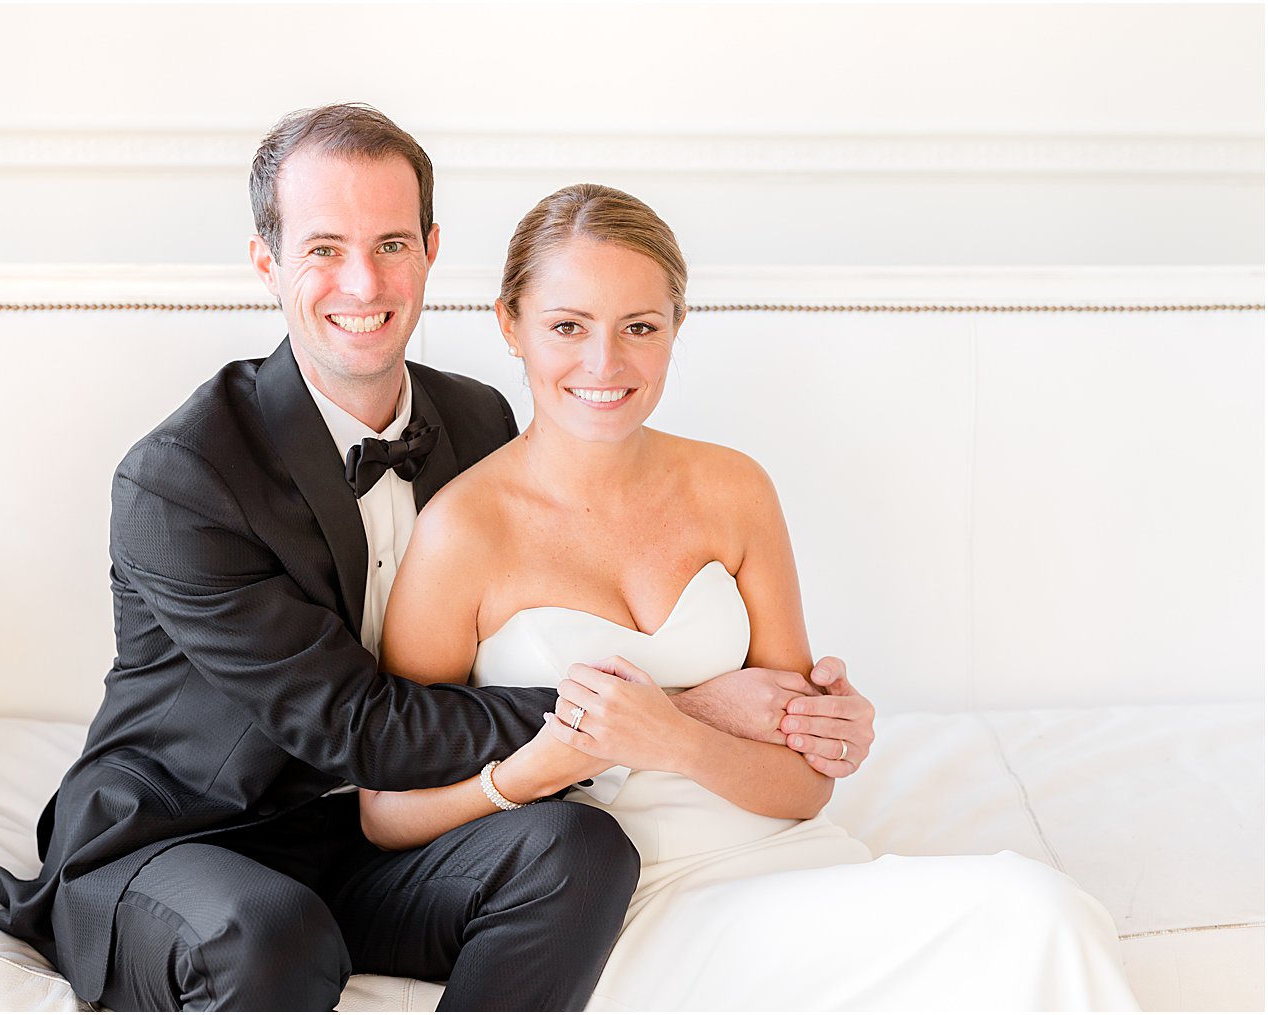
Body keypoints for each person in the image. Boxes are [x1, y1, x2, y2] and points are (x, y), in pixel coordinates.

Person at [0, 104, 879, 1011]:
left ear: (431, 252)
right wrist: (681, 707)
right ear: (266, 261)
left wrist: (799, 711)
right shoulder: (184, 477)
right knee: (270, 936)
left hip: (375, 836)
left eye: (391, 244)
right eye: (324, 248)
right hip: (189, 838)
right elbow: (352, 723)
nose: (363, 282)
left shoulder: (479, 421)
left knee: (581, 850)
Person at [363, 183, 1142, 1010]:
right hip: (615, 902)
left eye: (640, 327)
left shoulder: (733, 489)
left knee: (1040, 911)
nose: (605, 364)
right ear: (509, 325)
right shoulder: (462, 534)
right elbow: (385, 813)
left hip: (794, 858)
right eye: (567, 326)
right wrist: (536, 769)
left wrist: (679, 737)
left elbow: (806, 783)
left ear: (676, 329)